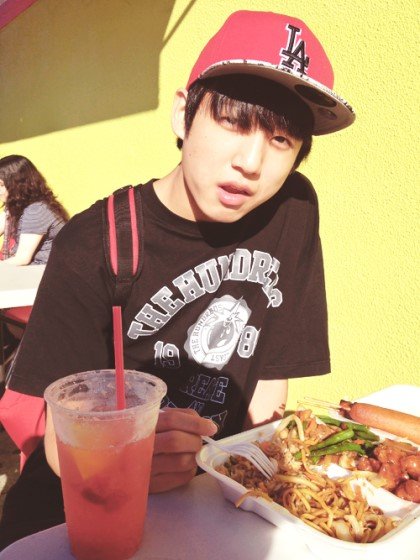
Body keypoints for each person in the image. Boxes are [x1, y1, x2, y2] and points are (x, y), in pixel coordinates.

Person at [0, 10, 355, 548]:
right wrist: (125, 458)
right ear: (182, 115)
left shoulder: (293, 211)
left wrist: (248, 477)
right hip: (77, 518)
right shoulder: (94, 244)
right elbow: (58, 435)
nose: (251, 161)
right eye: (233, 122)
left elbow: (268, 373)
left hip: (209, 507)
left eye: (282, 138)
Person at [0, 155, 69, 266]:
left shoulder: (36, 210)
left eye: (1, 185)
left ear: (18, 184)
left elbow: (22, 259)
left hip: (42, 271)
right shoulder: (15, 207)